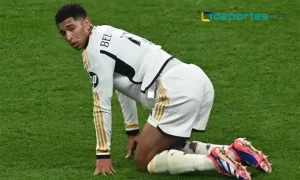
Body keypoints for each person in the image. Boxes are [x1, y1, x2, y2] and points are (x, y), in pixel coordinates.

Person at [54, 3, 272, 179]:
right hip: (195, 78)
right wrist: (132, 131)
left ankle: (214, 161)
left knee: (144, 161)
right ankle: (235, 150)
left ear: (86, 23)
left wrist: (103, 154)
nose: (68, 37)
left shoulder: (93, 53)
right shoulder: (106, 31)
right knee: (171, 146)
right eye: (63, 33)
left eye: (71, 28)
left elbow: (101, 104)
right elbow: (120, 85)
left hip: (175, 89)